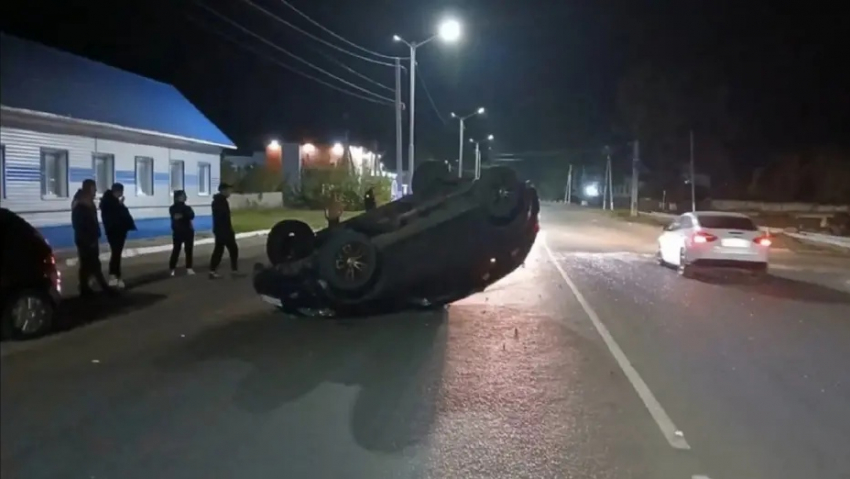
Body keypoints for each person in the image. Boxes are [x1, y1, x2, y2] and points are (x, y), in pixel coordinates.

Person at [71, 179, 113, 296]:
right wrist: (89, 238)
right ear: (88, 188)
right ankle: (101, 288)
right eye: (94, 188)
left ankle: (85, 288)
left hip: (89, 238)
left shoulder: (87, 202)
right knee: (91, 264)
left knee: (88, 265)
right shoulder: (81, 203)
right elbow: (80, 224)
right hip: (85, 239)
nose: (95, 191)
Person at [100, 182, 136, 289]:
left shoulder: (111, 202)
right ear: (117, 191)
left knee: (116, 253)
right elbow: (115, 216)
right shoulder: (111, 203)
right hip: (115, 231)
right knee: (116, 253)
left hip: (116, 231)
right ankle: (114, 276)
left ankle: (115, 276)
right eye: (121, 191)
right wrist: (120, 205)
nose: (122, 193)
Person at [209, 183, 238, 279]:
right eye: (228, 190)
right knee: (232, 249)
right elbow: (222, 217)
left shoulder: (221, 201)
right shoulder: (219, 202)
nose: (230, 192)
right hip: (223, 230)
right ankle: (234, 271)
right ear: (223, 190)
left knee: (219, 250)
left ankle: (213, 271)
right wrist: (228, 230)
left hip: (221, 230)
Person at [169, 190, 195, 276]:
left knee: (188, 250)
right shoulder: (173, 208)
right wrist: (184, 215)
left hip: (187, 231)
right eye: (183, 196)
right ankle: (172, 268)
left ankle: (189, 267)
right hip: (178, 231)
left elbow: (191, 215)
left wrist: (182, 215)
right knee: (176, 250)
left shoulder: (187, 207)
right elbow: (176, 216)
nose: (185, 197)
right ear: (177, 197)